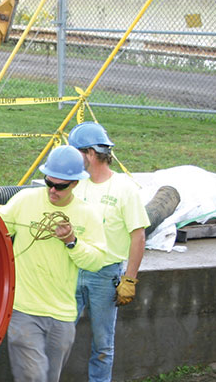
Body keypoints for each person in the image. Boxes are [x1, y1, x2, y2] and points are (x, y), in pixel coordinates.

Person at [0, 145, 108, 382]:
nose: (53, 190)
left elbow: (97, 261)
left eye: (61, 186)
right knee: (33, 376)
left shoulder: (88, 215)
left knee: (49, 377)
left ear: (76, 183)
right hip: (23, 310)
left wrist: (72, 241)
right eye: (49, 182)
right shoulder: (25, 200)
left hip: (63, 314)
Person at [68, 122, 150, 382]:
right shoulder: (75, 185)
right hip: (71, 269)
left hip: (105, 275)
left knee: (103, 345)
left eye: (75, 153)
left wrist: (130, 278)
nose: (72, 158)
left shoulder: (124, 190)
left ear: (91, 154)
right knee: (57, 337)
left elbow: (138, 235)